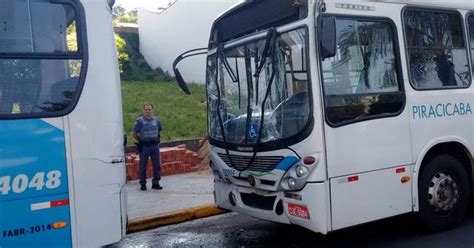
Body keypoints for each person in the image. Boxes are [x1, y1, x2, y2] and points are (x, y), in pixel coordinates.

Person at [133, 102, 163, 191]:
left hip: (154, 146)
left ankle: (156, 183)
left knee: (157, 165)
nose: (148, 111)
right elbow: (134, 134)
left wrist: (156, 139)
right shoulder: (140, 121)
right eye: (146, 109)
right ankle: (143, 184)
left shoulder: (157, 120)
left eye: (149, 109)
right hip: (144, 147)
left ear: (152, 110)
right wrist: (140, 141)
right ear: (144, 110)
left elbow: (159, 130)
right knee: (143, 166)